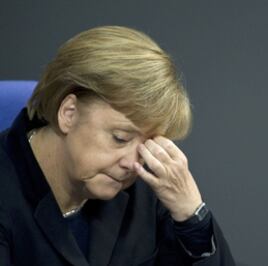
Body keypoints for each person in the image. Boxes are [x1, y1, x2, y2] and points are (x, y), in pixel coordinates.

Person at [0, 26, 235, 265]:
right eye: (120, 138)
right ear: (68, 113)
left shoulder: (147, 184)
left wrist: (191, 214)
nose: (133, 163)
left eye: (149, 143)